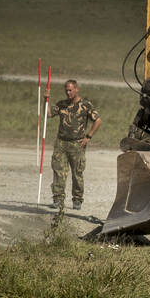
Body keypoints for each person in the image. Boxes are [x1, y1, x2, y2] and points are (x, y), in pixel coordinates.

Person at [47, 79, 101, 210]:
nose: (68, 92)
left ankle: (77, 199)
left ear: (76, 89)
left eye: (70, 90)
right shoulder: (62, 104)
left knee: (77, 173)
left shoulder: (86, 105)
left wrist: (88, 136)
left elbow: (97, 120)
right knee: (59, 171)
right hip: (61, 143)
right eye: (66, 90)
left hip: (77, 144)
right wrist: (46, 100)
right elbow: (48, 114)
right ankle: (58, 199)